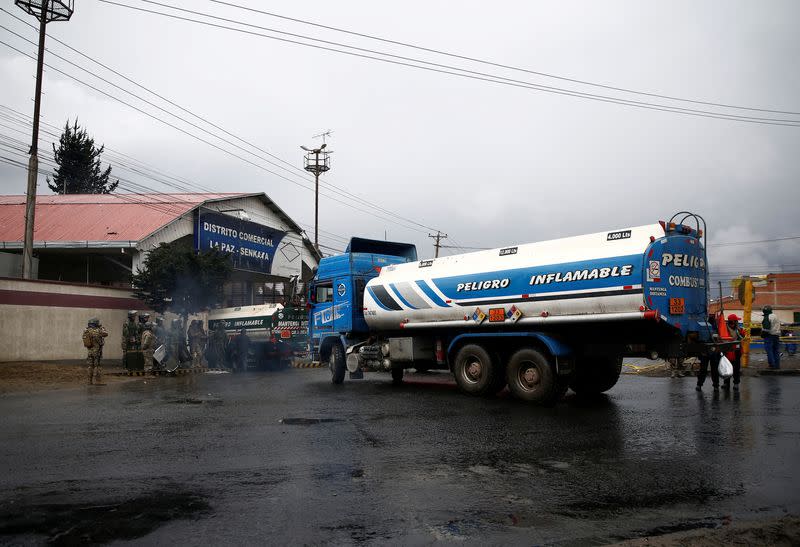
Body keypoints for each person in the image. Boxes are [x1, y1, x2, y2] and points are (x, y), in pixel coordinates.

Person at [697, 313, 721, 391]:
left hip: (709, 351)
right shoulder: (712, 327)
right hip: (710, 351)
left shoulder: (708, 327)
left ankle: (701, 385)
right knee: (710, 369)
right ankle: (714, 385)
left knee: (705, 369)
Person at [83, 317, 108, 385]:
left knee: (90, 366)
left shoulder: (86, 330)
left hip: (90, 351)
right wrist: (102, 327)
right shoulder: (98, 330)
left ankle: (89, 381)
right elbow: (106, 334)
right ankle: (98, 381)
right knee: (97, 366)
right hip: (97, 352)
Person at [723, 314, 744, 391]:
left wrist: (741, 332)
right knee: (727, 368)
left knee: (736, 368)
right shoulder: (724, 329)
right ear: (733, 321)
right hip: (727, 350)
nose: (737, 322)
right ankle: (726, 383)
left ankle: (736, 383)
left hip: (737, 350)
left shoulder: (738, 329)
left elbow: (742, 337)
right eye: (736, 321)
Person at [761, 305, 782, 369]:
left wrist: (762, 335)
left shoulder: (767, 317)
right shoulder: (776, 316)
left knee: (769, 351)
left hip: (769, 336)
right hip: (776, 336)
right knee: (776, 351)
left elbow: (766, 328)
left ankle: (772, 365)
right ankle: (777, 365)